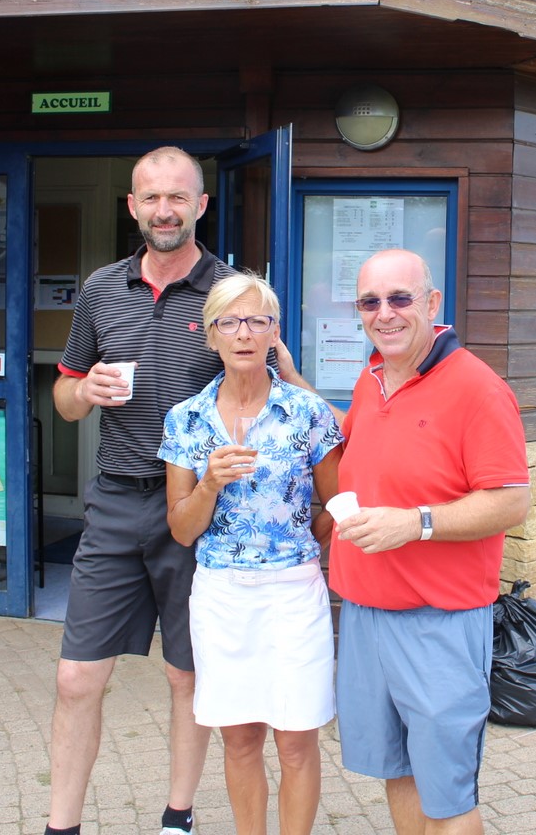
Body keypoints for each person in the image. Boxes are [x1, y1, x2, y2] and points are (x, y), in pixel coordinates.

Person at [47, 145, 241, 835]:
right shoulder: (100, 289)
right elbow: (65, 396)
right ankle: (61, 826)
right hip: (115, 503)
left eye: (178, 197)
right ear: (132, 206)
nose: (165, 210)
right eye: (151, 198)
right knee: (76, 678)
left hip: (199, 510)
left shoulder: (230, 293)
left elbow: (268, 386)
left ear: (201, 205)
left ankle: (177, 817)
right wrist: (83, 391)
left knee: (187, 677)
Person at [327, 248, 531, 835]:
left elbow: (511, 501)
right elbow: (357, 446)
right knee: (398, 770)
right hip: (364, 613)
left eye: (400, 298)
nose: (384, 313)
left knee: (447, 794)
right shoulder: (373, 378)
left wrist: (414, 523)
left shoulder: (478, 388)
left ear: (432, 303)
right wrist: (287, 381)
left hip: (437, 622)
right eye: (370, 302)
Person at [159, 272, 344, 835]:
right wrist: (209, 485)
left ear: (274, 333)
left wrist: (304, 541)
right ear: (210, 335)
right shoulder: (187, 419)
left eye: (257, 321)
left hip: (292, 594)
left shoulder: (306, 413)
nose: (244, 333)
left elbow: (340, 503)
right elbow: (182, 531)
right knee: (240, 740)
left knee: (296, 740)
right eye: (230, 322)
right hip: (223, 596)